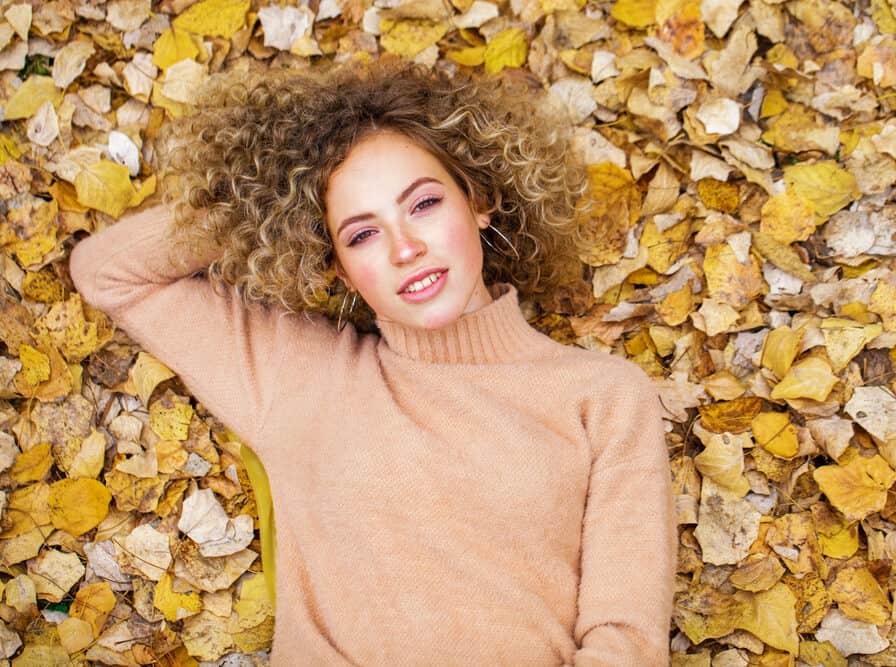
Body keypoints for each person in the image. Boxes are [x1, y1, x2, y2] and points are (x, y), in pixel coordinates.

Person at [69, 54, 677, 665]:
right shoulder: (299, 373)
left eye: (424, 205)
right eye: (361, 234)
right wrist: (256, 211)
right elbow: (108, 272)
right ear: (335, 264)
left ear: (480, 202)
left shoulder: (602, 395)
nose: (405, 248)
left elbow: (626, 642)